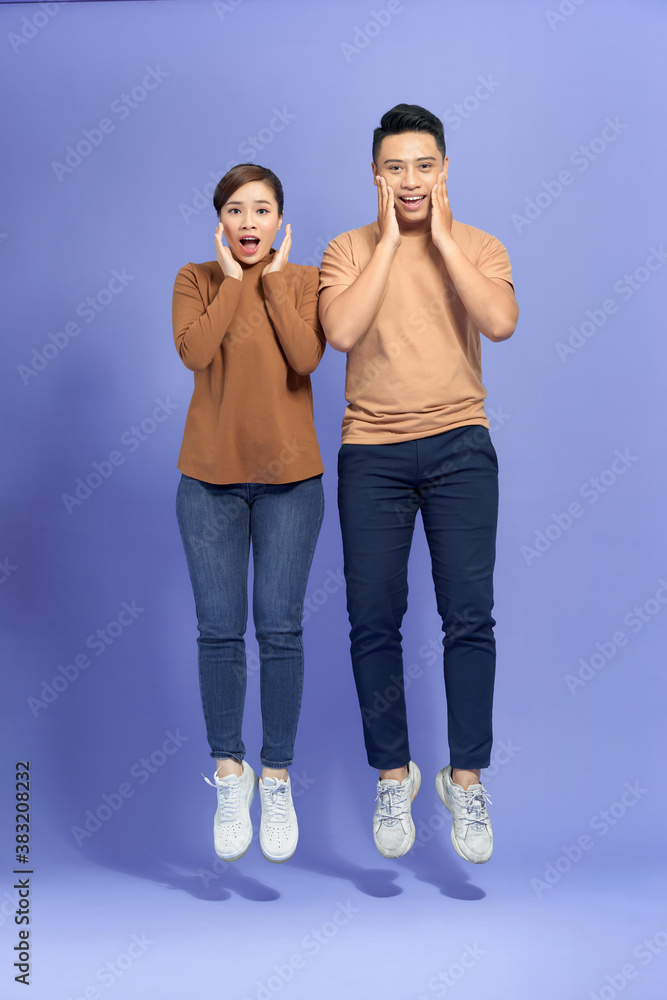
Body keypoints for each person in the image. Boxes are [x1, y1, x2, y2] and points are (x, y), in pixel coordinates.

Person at [318, 104, 518, 863]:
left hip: (461, 448)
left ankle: (462, 781)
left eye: (423, 165)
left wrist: (436, 237)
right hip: (371, 452)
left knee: (469, 616)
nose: (410, 180)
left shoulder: (477, 244)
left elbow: (498, 322)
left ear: (443, 171)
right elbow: (340, 332)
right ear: (375, 175)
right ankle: (392, 774)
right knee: (373, 616)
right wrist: (390, 247)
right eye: (395, 167)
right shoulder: (347, 248)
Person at [172, 163, 326, 863]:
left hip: (291, 482)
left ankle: (276, 779)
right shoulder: (195, 279)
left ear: (279, 220)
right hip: (209, 483)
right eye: (236, 210)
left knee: (281, 629)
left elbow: (306, 358)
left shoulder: (303, 279)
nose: (248, 223)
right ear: (220, 222)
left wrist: (269, 285)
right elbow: (195, 353)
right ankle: (229, 773)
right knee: (218, 631)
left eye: (261, 210)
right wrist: (234, 286)